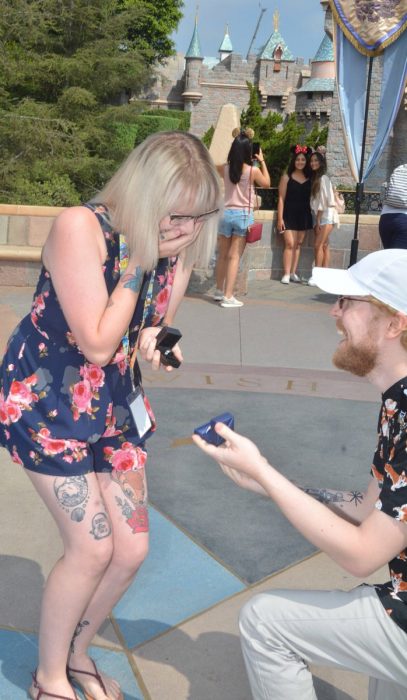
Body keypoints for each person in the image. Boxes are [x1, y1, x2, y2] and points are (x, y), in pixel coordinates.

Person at [0, 131, 221, 700]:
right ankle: (49, 677)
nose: (186, 230)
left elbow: (146, 324)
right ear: (145, 195)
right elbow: (97, 343)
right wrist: (142, 261)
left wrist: (157, 340)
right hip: (49, 401)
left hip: (115, 404)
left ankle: (76, 652)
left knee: (132, 549)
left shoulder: (173, 248)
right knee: (92, 547)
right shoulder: (82, 227)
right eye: (174, 215)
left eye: (199, 218)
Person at [193, 248, 407, 699]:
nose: (334, 312)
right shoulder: (397, 402)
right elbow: (367, 509)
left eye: (348, 302)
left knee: (265, 622)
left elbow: (361, 554)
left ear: (394, 324)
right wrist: (271, 481)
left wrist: (267, 476)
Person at [214, 129, 270, 308]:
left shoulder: (224, 168)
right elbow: (267, 183)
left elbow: (212, 167)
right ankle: (228, 296)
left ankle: (219, 290)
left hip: (225, 213)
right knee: (234, 257)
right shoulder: (252, 171)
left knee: (223, 255)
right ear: (248, 151)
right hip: (242, 215)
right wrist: (261, 161)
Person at [277, 145, 313, 284]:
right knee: (289, 243)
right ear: (294, 161)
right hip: (288, 214)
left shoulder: (310, 178)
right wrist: (280, 218)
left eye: (303, 159)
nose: (300, 162)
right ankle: (286, 273)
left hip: (304, 214)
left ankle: (293, 272)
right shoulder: (286, 177)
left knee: (298, 244)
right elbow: (281, 198)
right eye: (298, 159)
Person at [308, 149, 340, 286]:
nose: (313, 163)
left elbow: (323, 201)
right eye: (312, 160)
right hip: (322, 216)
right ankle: (325, 275)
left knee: (318, 245)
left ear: (321, 163)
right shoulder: (318, 178)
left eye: (316, 160)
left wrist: (319, 220)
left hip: (325, 216)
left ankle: (318, 276)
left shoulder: (323, 178)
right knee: (325, 245)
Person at [379, 164, 407, 249]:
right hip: (404, 221)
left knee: (390, 256)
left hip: (385, 218)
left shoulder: (401, 168)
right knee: (399, 260)